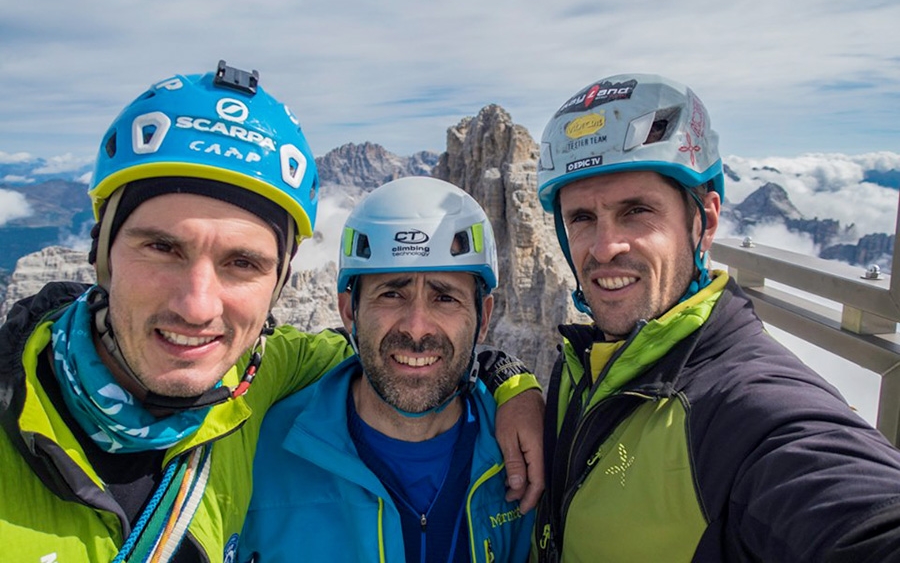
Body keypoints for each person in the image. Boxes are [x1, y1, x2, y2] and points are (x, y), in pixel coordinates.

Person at [0, 61, 543, 562]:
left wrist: (510, 380)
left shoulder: (262, 373)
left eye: (242, 263)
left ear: (278, 284)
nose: (197, 306)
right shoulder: (269, 413)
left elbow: (408, 353)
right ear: (101, 255)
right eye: (162, 248)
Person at [531, 73, 900, 562]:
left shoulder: (750, 411)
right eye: (581, 218)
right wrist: (508, 384)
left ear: (705, 222)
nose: (604, 247)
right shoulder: (584, 362)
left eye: (637, 210)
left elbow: (856, 510)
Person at [239, 176, 535, 562]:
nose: (416, 327)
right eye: (391, 294)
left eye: (445, 297)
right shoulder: (259, 446)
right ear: (350, 312)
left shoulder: (523, 453)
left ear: (483, 318)